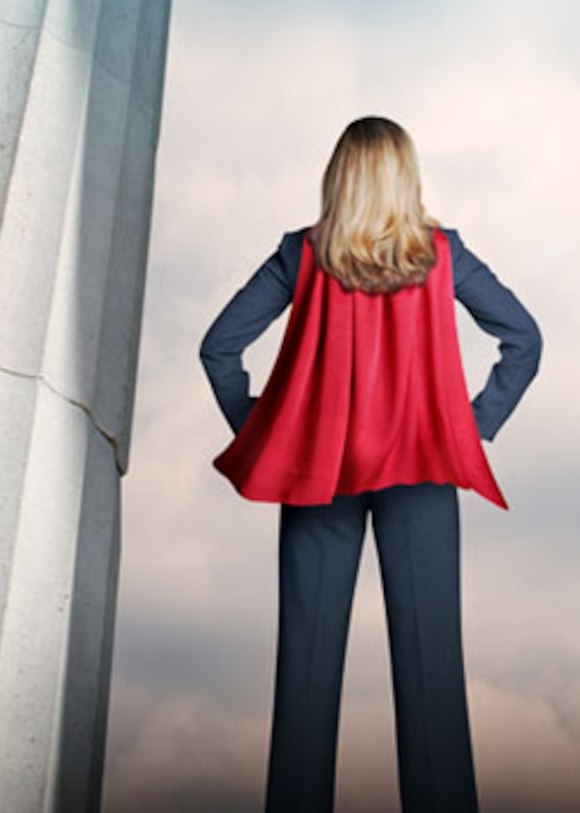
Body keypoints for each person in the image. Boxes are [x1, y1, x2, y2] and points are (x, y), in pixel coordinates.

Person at [200, 115, 541, 813]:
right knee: (431, 671)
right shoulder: (442, 253)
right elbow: (524, 339)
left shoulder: (302, 253)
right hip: (421, 475)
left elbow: (218, 347)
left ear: (340, 177)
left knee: (306, 668)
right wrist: (470, 430)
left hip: (318, 479)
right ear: (405, 178)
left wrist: (270, 431)